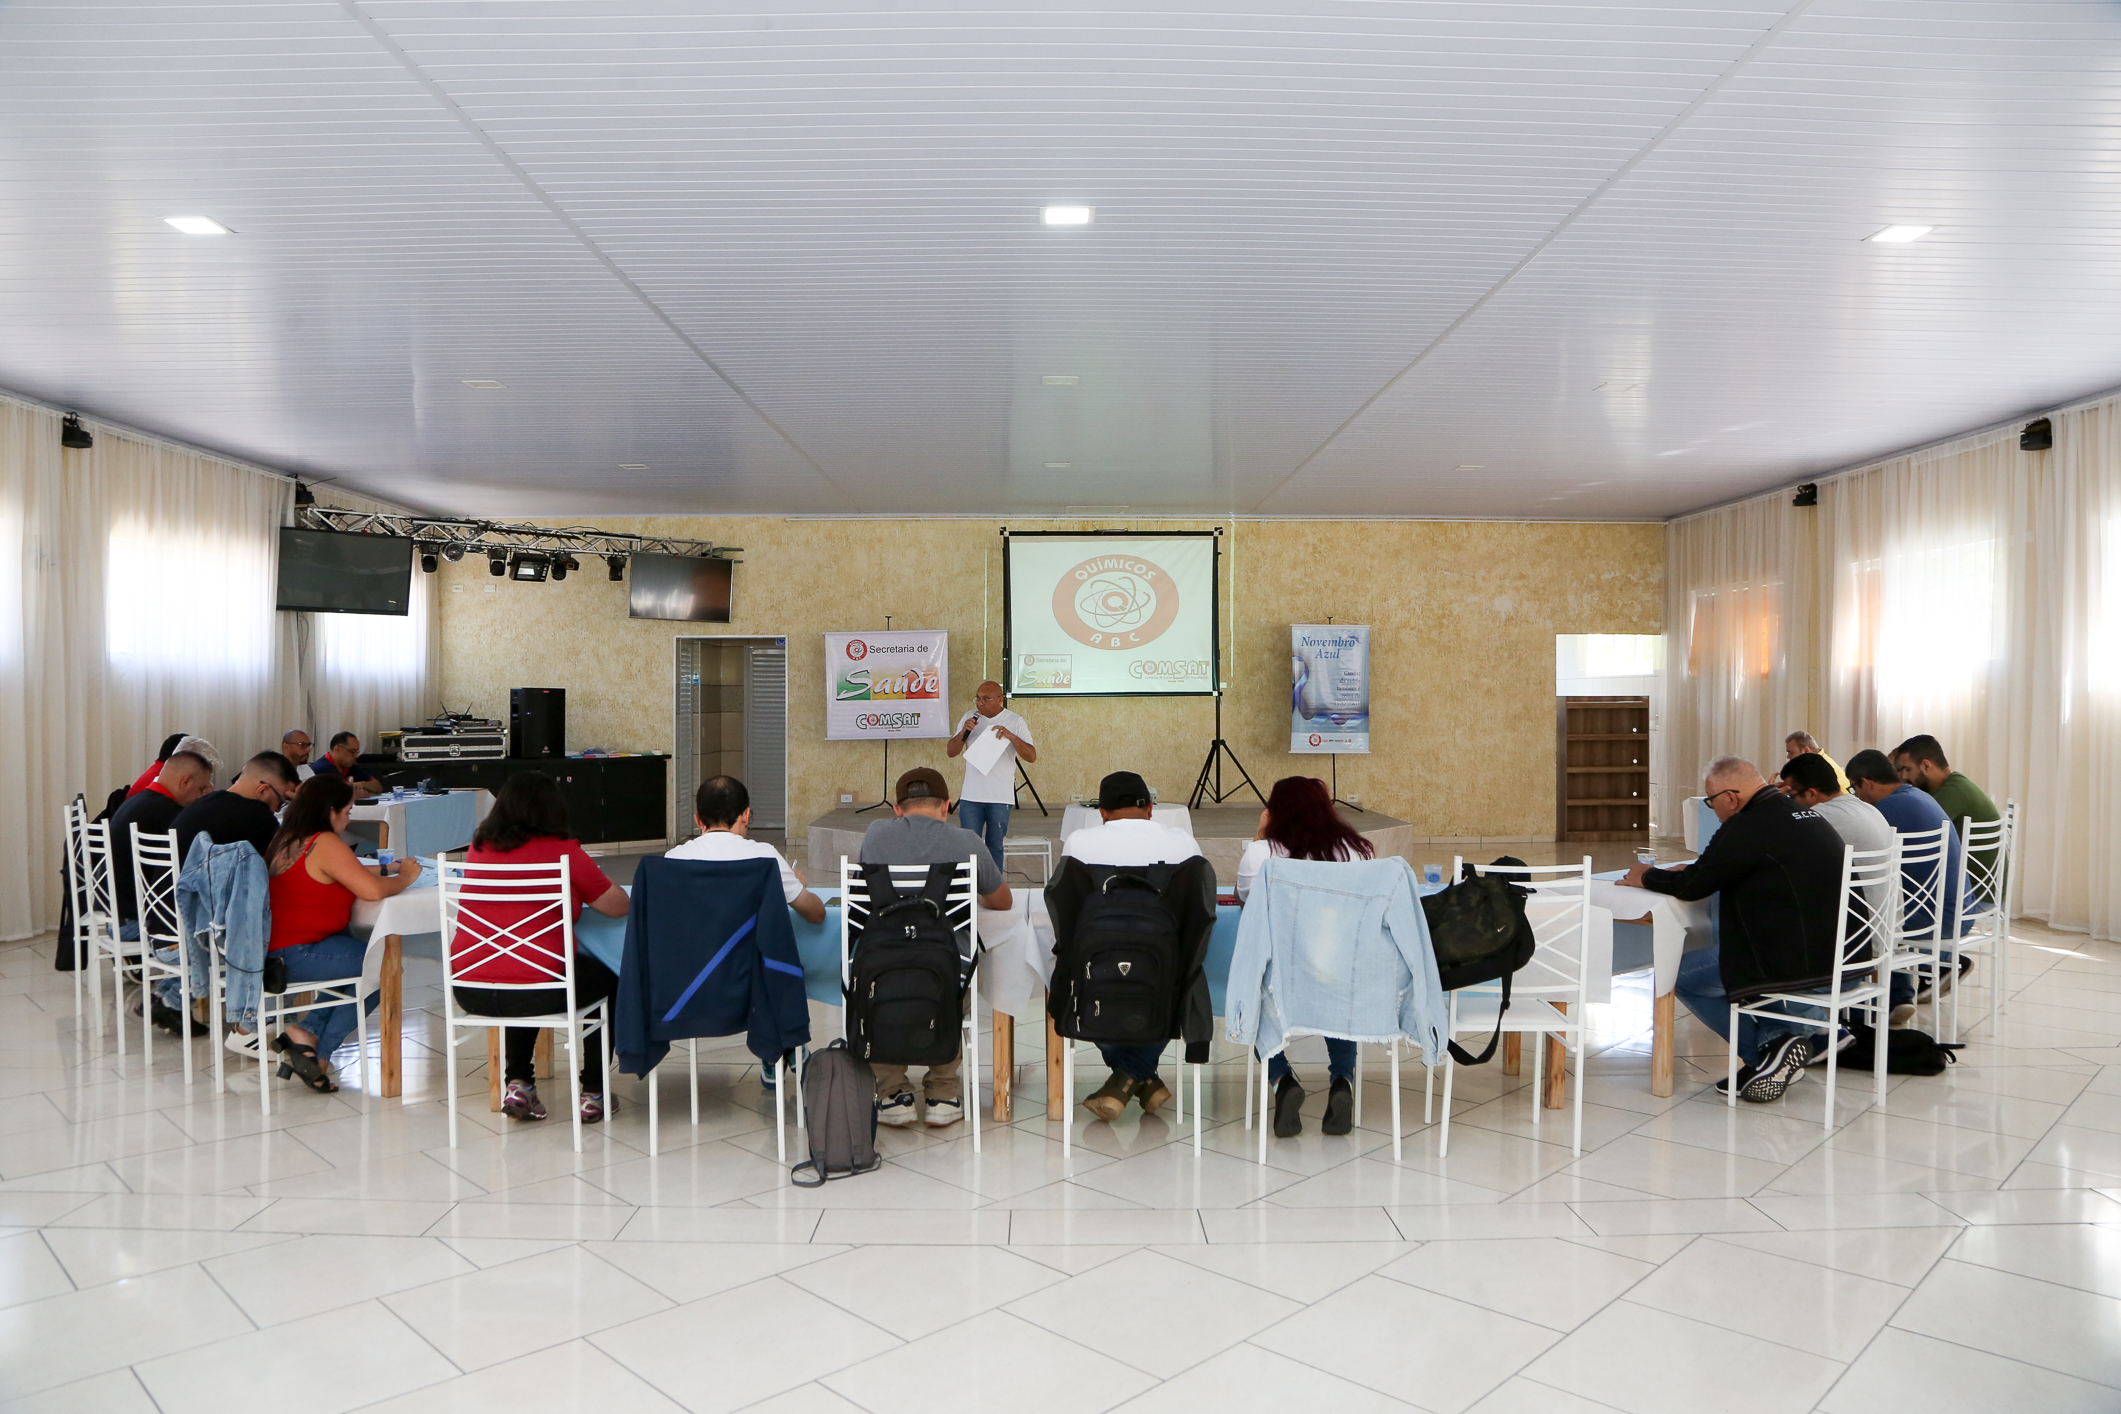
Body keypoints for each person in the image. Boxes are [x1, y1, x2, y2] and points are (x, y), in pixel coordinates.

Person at [1621, 756, 1848, 1103]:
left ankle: (1766, 1054)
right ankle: (1785, 1043)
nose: (1712, 810)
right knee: (1737, 953)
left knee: (1678, 976)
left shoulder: (1747, 824)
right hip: (1843, 953)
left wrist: (1645, 876)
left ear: (1730, 797)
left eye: (1711, 802)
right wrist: (1698, 870)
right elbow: (1729, 868)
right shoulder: (1797, 812)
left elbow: (1694, 887)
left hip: (1798, 962)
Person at [452, 772, 630, 1123]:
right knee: (607, 975)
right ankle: (594, 1091)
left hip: (470, 988)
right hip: (537, 988)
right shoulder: (564, 852)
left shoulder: (479, 848)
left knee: (521, 965)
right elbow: (617, 905)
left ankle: (519, 1084)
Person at [857, 767, 1011, 1127]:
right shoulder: (968, 841)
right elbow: (1002, 901)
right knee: (956, 982)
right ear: (946, 807)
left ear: (897, 809)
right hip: (947, 971)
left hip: (884, 966)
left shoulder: (875, 834)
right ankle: (943, 1091)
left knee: (874, 989)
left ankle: (893, 1092)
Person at [1059, 770, 1207, 1121]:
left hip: (1097, 967)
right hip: (1165, 970)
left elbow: (1067, 917)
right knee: (1170, 980)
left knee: (1084, 982)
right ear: (1151, 808)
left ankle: (1126, 1077)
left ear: (1103, 813)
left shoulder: (1079, 843)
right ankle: (1142, 1077)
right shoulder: (1184, 843)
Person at [261, 776, 421, 1091]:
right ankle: (321, 1054)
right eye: (347, 811)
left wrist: (389, 868)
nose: (349, 819)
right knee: (383, 966)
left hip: (280, 951)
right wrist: (406, 878)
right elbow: (373, 891)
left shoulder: (288, 837)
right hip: (299, 952)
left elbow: (344, 871)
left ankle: (305, 1036)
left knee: (359, 961)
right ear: (329, 810)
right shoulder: (325, 841)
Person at [1237, 775, 1376, 1136]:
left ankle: (1282, 1081)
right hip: (1338, 967)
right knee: (1338, 1001)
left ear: (1274, 810)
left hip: (1280, 973)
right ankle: (1342, 1081)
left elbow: (1245, 901)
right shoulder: (1356, 851)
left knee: (1249, 993)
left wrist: (1259, 837)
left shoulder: (1261, 854)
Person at [1775, 751, 1894, 1065]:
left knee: (1756, 947)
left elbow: (1770, 855)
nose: (1785, 801)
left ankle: (1817, 1034)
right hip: (1878, 941)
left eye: (1789, 794)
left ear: (1811, 794)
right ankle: (1811, 1029)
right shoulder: (1864, 809)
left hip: (1852, 954)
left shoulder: (1824, 817)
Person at [1848, 748, 1967, 1021]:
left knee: (1856, 914)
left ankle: (1857, 1006)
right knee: (1885, 901)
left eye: (1855, 790)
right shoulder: (1918, 796)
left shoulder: (1886, 809)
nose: (1857, 797)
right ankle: (1898, 996)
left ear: (1866, 783)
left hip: (1934, 917)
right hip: (1955, 909)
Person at [108, 750, 215, 1035]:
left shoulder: (140, 801)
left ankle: (165, 999)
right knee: (220, 931)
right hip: (135, 922)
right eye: (202, 788)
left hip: (117, 914)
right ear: (185, 782)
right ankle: (173, 1000)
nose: (204, 794)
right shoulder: (169, 813)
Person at [945, 681, 1035, 872]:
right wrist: (963, 732)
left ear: (1000, 699)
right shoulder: (969, 717)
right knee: (969, 848)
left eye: (986, 699)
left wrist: (1011, 737)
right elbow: (951, 752)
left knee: (995, 847)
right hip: (971, 796)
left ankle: (994, 894)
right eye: (978, 698)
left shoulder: (1015, 721)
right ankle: (969, 891)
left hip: (999, 797)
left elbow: (1031, 756)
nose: (980, 703)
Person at [1892, 734, 2001, 876]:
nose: (1904, 777)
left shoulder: (1953, 792)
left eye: (1908, 769)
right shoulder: (1954, 785)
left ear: (1926, 765)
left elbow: (1916, 833)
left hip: (1972, 892)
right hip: (1981, 886)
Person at [173, 751, 301, 862]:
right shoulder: (257, 815)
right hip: (201, 889)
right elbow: (291, 860)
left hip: (167, 888)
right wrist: (302, 805)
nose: (278, 810)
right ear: (263, 790)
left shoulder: (201, 802)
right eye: (281, 802)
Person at [310, 731, 384, 799]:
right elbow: (344, 795)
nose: (356, 756)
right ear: (337, 749)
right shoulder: (324, 768)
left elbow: (378, 787)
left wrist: (360, 784)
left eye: (357, 752)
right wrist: (369, 793)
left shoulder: (348, 765)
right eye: (352, 751)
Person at [1783, 731, 1849, 793]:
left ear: (1806, 750)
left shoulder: (1819, 767)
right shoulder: (1822, 761)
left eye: (1791, 752)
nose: (1788, 756)